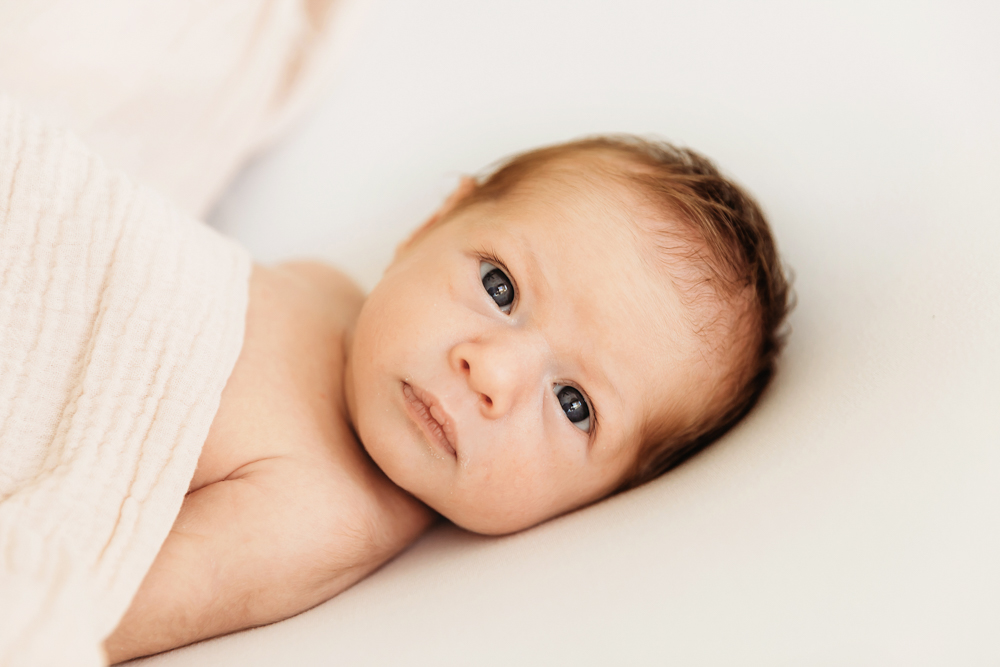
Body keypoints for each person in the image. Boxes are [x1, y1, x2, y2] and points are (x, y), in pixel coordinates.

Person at [103, 136, 789, 663]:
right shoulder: (322, 285)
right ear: (436, 221)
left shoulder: (323, 512)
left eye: (574, 403)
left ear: (600, 498)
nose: (492, 374)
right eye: (500, 287)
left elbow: (90, 601)